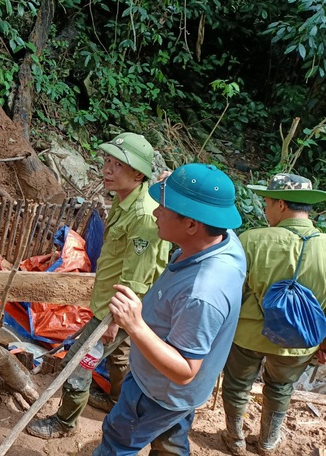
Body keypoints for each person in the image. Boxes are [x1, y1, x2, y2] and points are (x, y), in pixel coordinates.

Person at [92, 163, 247, 455]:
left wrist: (135, 324)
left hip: (157, 391)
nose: (154, 213)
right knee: (171, 441)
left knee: (118, 440)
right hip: (182, 397)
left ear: (191, 225)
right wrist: (178, 186)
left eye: (163, 208)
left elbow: (185, 369)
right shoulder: (225, 242)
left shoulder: (202, 292)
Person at [26, 132, 170, 439]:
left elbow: (136, 278)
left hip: (117, 309)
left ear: (138, 173)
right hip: (118, 306)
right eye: (106, 161)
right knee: (119, 357)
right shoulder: (125, 201)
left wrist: (113, 322)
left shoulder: (144, 216)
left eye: (117, 165)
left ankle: (64, 423)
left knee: (79, 362)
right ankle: (117, 399)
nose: (107, 169)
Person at [220, 173, 326, 456]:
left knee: (237, 384)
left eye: (266, 202)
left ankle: (235, 438)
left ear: (280, 204)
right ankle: (268, 442)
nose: (265, 209)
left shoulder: (253, 239)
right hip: (301, 340)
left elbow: (233, 290)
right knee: (281, 387)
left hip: (249, 334)